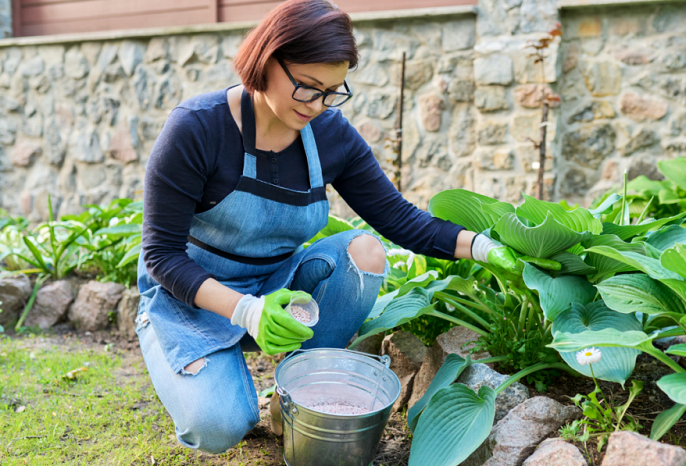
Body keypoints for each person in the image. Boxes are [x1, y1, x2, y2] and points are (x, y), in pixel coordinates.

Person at [135, 0, 517, 454]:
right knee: (219, 426)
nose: (318, 105)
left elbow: (398, 219)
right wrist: (247, 311)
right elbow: (161, 256)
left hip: (277, 284)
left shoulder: (331, 135)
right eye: (307, 88)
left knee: (365, 254)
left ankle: (295, 397)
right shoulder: (198, 128)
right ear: (266, 59)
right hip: (189, 299)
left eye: (332, 91)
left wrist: (484, 246)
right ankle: (205, 366)